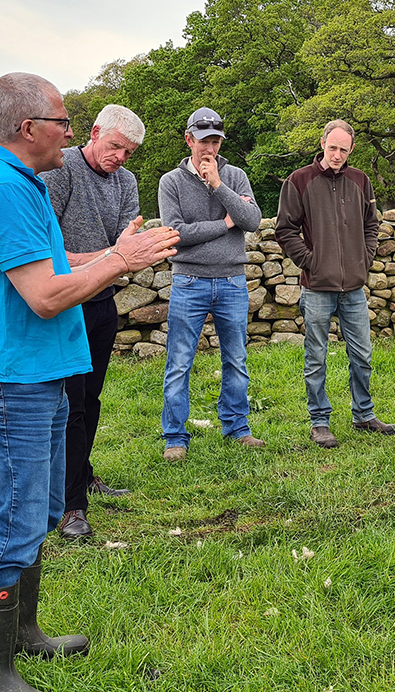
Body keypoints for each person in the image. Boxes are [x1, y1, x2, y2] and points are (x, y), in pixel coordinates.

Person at [0, 73, 178, 692]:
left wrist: (112, 250)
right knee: (12, 523)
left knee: (37, 514)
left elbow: (54, 266)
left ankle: (21, 634)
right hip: (7, 381)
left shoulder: (18, 185)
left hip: (35, 375)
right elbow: (45, 296)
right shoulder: (0, 190)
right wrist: (120, 264)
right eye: (64, 121)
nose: (70, 132)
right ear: (29, 129)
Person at [40, 104, 146, 541]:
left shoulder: (126, 182)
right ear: (95, 132)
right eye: (116, 146)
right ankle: (70, 505)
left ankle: (81, 474)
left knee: (93, 396)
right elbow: (48, 251)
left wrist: (112, 259)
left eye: (129, 151)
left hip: (101, 301)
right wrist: (111, 258)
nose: (120, 157)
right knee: (71, 403)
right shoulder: (59, 171)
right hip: (65, 303)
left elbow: (130, 245)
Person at [275, 120, 395, 448]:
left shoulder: (361, 180)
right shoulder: (299, 181)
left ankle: (363, 414)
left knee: (362, 354)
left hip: (354, 287)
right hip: (317, 286)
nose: (337, 155)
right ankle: (319, 421)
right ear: (322, 143)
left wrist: (365, 257)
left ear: (351, 150)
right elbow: (285, 229)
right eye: (333, 148)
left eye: (344, 150)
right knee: (316, 356)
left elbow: (372, 225)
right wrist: (310, 261)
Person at [156, 107, 265, 462]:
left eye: (215, 141)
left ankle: (237, 427)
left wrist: (218, 185)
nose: (210, 149)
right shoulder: (170, 182)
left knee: (236, 358)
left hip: (232, 281)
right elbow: (176, 234)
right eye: (204, 141)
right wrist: (223, 224)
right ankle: (175, 437)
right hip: (189, 281)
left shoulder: (234, 176)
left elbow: (251, 220)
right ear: (189, 140)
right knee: (180, 361)